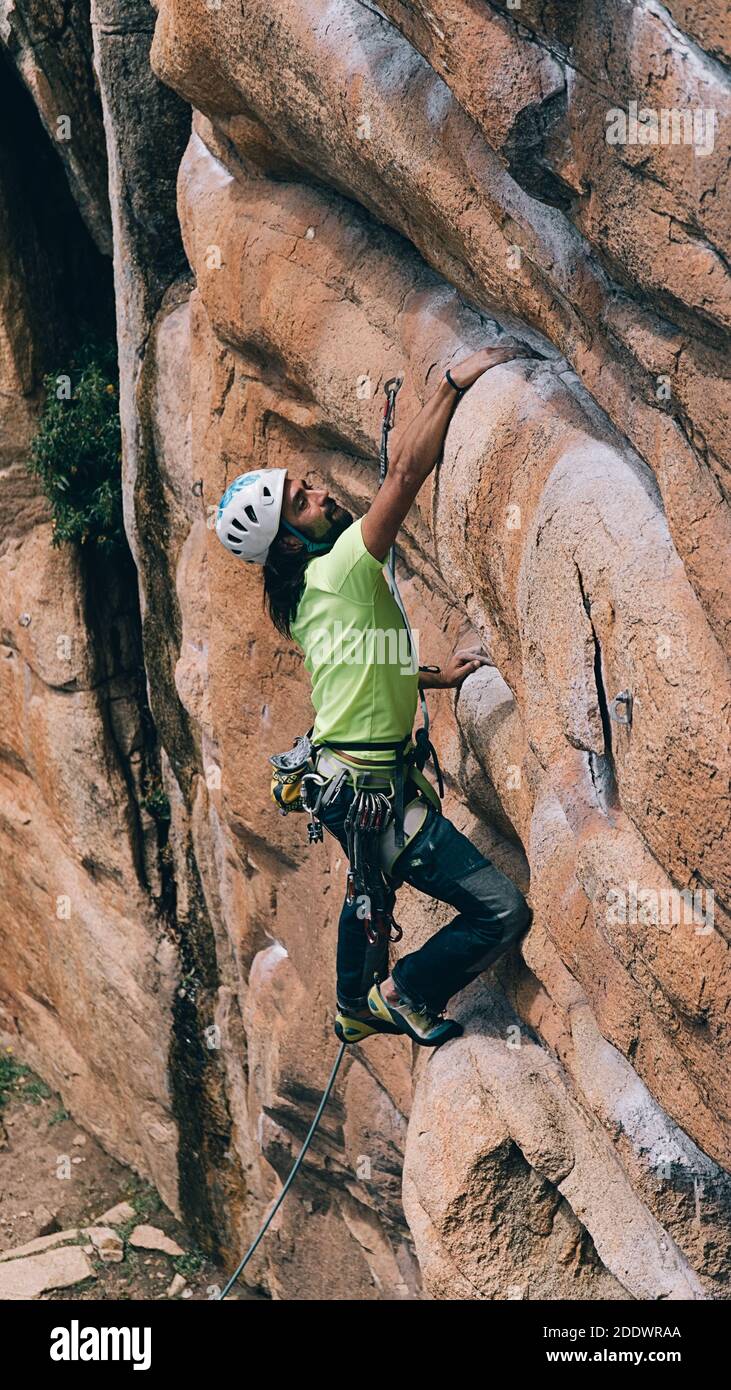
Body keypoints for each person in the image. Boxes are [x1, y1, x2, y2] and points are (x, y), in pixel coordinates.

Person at [215, 342, 533, 1047]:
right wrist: (452, 381)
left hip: (348, 781)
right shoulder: (344, 569)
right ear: (289, 543)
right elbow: (405, 472)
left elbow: (364, 663)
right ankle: (403, 990)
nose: (321, 493)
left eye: (307, 486)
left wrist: (439, 678)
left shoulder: (308, 597)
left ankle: (353, 1004)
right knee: (501, 912)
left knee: (369, 892)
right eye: (302, 500)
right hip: (372, 792)